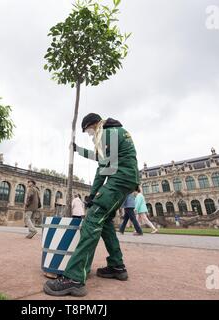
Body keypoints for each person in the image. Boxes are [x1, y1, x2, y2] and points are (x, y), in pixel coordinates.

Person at [44, 113, 140, 297]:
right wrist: (78, 150)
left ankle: (74, 279)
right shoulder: (115, 131)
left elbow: (105, 168)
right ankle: (117, 266)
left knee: (92, 220)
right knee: (104, 222)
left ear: (93, 125)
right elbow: (100, 158)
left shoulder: (106, 132)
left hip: (119, 179)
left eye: (88, 131)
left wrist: (93, 194)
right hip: (127, 180)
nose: (89, 134)